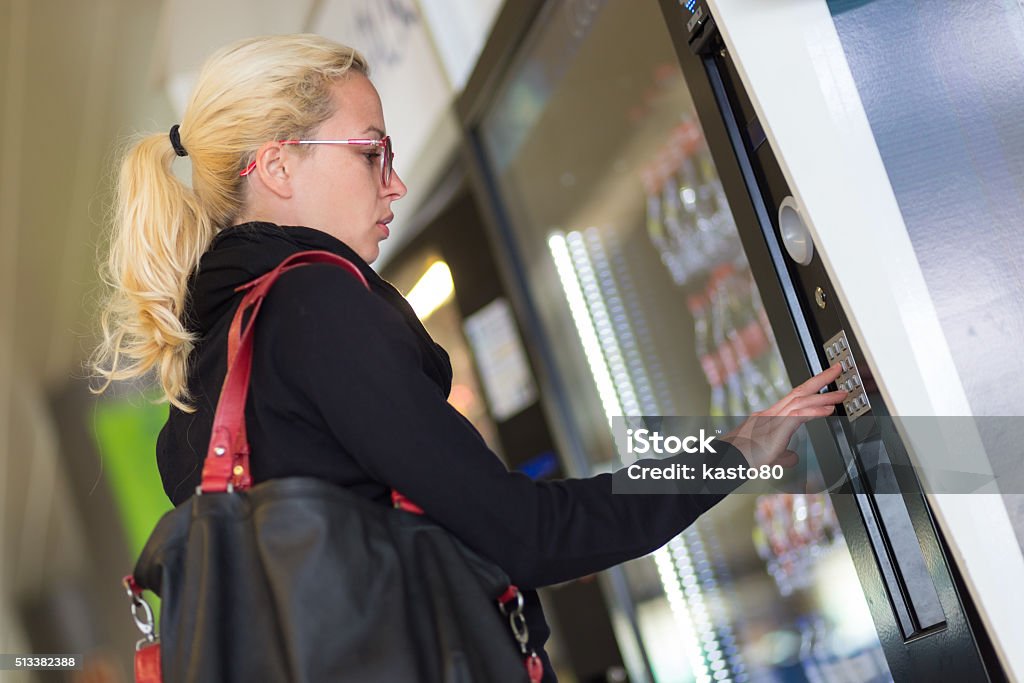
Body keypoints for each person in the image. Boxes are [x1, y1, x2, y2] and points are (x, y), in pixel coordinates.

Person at [91, 34, 847, 682]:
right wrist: (729, 455)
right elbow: (522, 531)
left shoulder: (199, 383)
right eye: (370, 152)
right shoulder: (314, 307)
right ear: (279, 166)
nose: (397, 182)